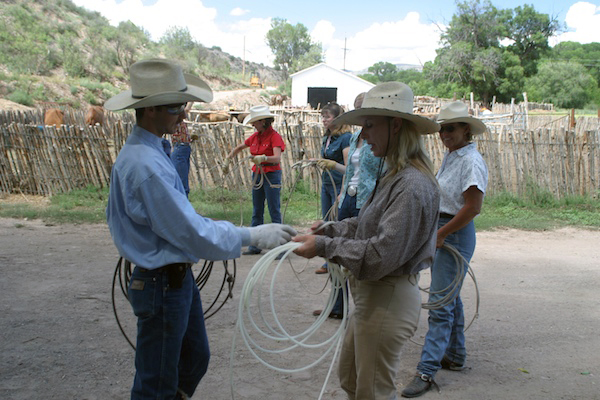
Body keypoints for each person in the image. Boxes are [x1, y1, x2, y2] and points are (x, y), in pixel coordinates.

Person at [104, 59, 296, 400]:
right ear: (149, 110)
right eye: (176, 107)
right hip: (163, 282)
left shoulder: (149, 154)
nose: (182, 115)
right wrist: (251, 235)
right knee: (156, 382)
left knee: (194, 359)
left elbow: (178, 223)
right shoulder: (145, 165)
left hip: (172, 278)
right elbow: (191, 233)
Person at [293, 81, 441, 400]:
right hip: (372, 295)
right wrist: (329, 231)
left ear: (396, 125)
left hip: (387, 296)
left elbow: (379, 253)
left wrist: (323, 247)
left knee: (372, 391)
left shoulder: (412, 185)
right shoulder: (396, 175)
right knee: (351, 378)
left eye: (370, 126)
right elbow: (365, 223)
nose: (363, 135)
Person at [401, 101, 489, 398]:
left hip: (454, 233)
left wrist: (441, 234)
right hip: (446, 230)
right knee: (449, 296)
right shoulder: (454, 156)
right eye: (442, 129)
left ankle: (426, 371)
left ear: (466, 129)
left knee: (440, 304)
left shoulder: (470, 161)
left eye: (450, 128)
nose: (444, 134)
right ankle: (455, 354)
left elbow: (473, 207)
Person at [313, 92, 381, 319]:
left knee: (363, 254)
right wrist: (341, 196)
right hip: (348, 200)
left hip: (368, 200)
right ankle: (337, 305)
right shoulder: (354, 139)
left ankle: (364, 309)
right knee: (337, 251)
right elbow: (350, 171)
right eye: (358, 109)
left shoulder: (381, 139)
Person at [224, 105, 285, 256]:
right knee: (257, 209)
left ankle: (280, 247)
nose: (253, 124)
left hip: (271, 175)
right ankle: (255, 245)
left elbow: (277, 157)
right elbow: (240, 147)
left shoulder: (274, 136)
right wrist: (228, 159)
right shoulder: (255, 136)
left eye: (255, 122)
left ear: (263, 121)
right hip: (258, 174)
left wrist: (264, 158)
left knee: (274, 210)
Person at [314, 102, 352, 274]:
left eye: (327, 117)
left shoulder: (345, 138)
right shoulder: (327, 137)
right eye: (323, 116)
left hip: (338, 185)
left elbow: (348, 167)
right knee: (326, 221)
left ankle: (337, 260)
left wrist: (343, 191)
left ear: (337, 119)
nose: (324, 120)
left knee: (336, 223)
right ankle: (329, 260)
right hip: (327, 184)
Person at [170, 102, 194, 197]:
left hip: (183, 147)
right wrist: (191, 101)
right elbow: (187, 110)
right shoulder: (176, 117)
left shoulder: (178, 120)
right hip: (180, 148)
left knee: (182, 179)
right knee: (181, 181)